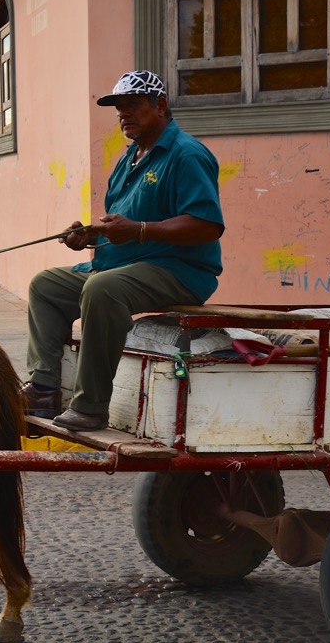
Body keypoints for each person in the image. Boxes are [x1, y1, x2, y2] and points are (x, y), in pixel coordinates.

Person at [24, 70, 225, 432]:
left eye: (132, 105)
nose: (122, 115)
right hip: (129, 264)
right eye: (118, 108)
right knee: (45, 285)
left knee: (102, 289)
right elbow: (126, 224)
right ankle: (42, 389)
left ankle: (90, 406)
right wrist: (90, 236)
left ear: (160, 106)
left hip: (179, 271)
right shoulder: (129, 156)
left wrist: (139, 230)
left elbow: (207, 225)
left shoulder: (187, 155)